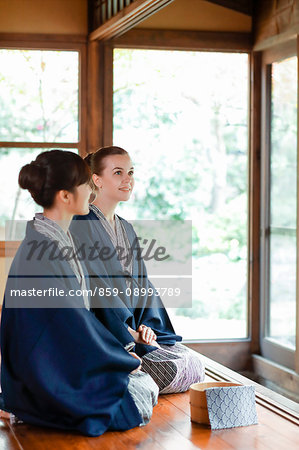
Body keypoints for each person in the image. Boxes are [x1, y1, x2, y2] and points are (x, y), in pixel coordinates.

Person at [0, 149, 158, 436]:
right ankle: (30, 404)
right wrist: (118, 358)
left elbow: (76, 320)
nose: (91, 191)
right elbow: (69, 324)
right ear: (65, 196)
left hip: (59, 357)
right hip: (45, 367)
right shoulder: (45, 249)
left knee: (143, 385)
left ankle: (29, 404)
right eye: (85, 184)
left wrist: (124, 349)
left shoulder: (55, 238)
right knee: (136, 397)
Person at [71, 146, 205, 394]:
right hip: (105, 332)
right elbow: (96, 289)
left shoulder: (126, 228)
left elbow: (143, 285)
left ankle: (137, 366)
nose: (128, 180)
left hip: (133, 328)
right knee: (167, 371)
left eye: (131, 172)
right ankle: (125, 365)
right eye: (119, 172)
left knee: (194, 365)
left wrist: (147, 327)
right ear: (97, 180)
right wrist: (128, 334)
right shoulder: (81, 224)